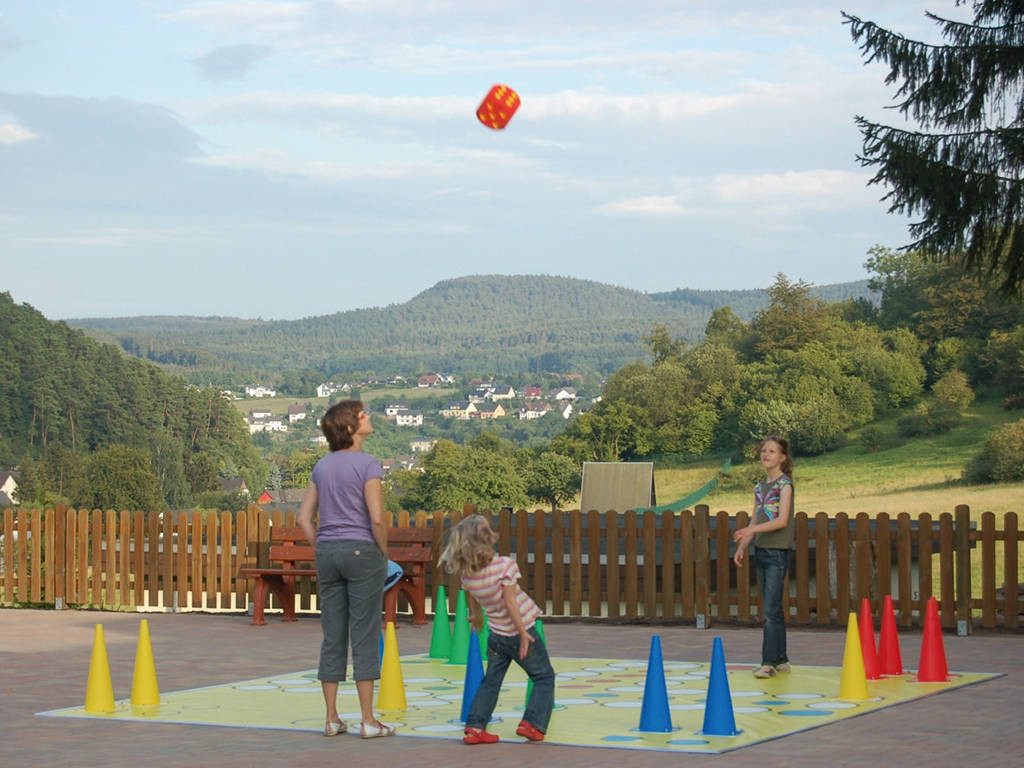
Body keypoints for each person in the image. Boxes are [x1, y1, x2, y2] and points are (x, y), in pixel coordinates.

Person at [297, 400, 395, 739]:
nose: (369, 416)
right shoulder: (368, 464)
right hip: (361, 550)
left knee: (333, 634)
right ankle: (368, 719)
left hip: (328, 552)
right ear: (351, 428)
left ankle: (332, 718)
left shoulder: (322, 466)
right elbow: (377, 518)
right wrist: (383, 552)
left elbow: (303, 518)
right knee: (364, 633)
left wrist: (322, 546)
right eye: (362, 414)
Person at [438, 514, 555, 745]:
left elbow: (473, 598)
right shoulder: (504, 566)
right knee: (543, 676)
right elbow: (510, 602)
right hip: (520, 631)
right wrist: (523, 633)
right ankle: (532, 724)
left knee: (491, 681)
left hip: (496, 637)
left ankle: (475, 727)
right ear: (487, 539)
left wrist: (476, 616)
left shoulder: (468, 575)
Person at [732, 435, 795, 679]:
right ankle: (781, 659)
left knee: (769, 609)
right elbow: (755, 519)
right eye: (763, 451)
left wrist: (751, 530)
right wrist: (743, 544)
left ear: (782, 457)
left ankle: (768, 663)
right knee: (773, 608)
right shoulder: (760, 487)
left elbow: (781, 520)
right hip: (761, 550)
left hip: (778, 552)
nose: (766, 454)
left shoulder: (785, 486)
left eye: (772, 451)